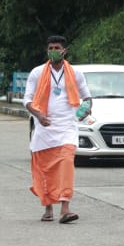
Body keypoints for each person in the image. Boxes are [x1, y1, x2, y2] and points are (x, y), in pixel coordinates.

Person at [23, 35, 92, 224]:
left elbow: (87, 98)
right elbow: (27, 100)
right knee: (46, 171)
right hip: (44, 130)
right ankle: (48, 209)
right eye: (50, 48)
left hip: (67, 129)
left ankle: (65, 209)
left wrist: (85, 110)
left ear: (65, 51)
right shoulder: (37, 73)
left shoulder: (76, 74)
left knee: (66, 165)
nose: (53, 51)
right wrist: (39, 116)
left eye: (57, 48)